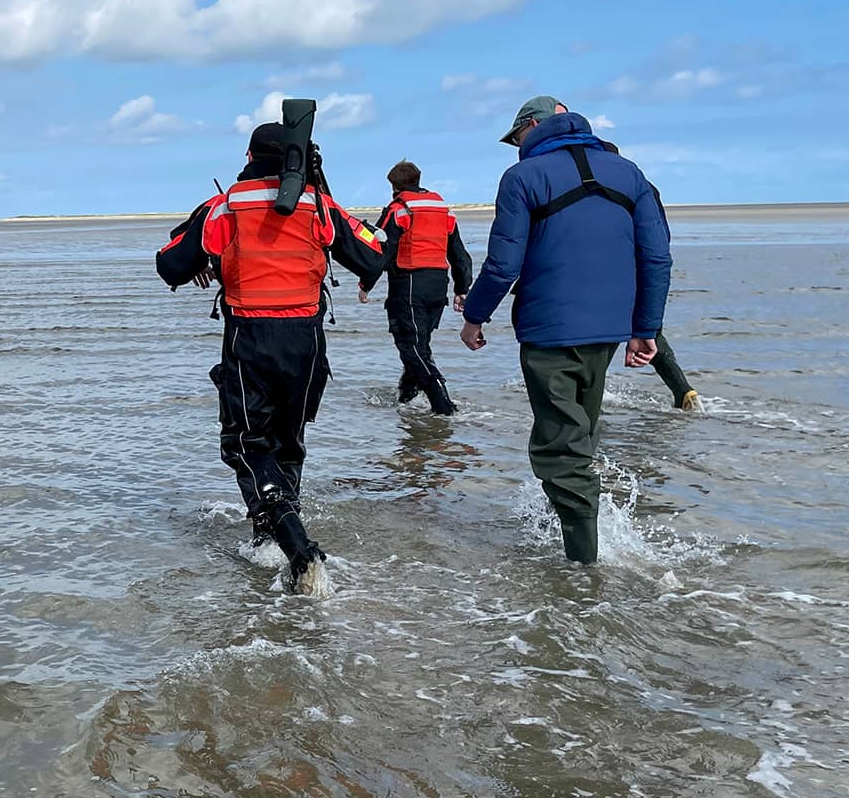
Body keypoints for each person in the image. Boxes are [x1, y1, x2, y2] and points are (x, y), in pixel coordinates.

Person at [156, 116, 385, 593]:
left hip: (250, 339)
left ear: (247, 159)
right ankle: (271, 534)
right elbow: (371, 257)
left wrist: (206, 260)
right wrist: (321, 191)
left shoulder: (227, 205)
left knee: (244, 443)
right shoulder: (317, 204)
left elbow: (170, 264)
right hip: (305, 339)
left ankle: (295, 544)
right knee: (289, 439)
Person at [459, 96, 672, 564]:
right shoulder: (628, 171)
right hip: (609, 330)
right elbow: (656, 255)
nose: (516, 146)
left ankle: (582, 566)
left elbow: (503, 264)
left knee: (561, 447)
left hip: (549, 328)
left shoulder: (522, 177)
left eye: (516, 137)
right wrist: (645, 327)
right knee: (582, 432)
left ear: (532, 126)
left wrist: (475, 316)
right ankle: (579, 531)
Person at [358, 160, 474, 415]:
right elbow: (459, 254)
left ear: (394, 185)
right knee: (420, 344)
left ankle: (442, 404)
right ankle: (406, 399)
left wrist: (366, 283)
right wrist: (462, 288)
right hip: (438, 285)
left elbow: (382, 250)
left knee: (410, 346)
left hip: (409, 284)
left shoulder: (399, 209)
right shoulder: (443, 210)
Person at [598, 140, 701, 411]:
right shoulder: (643, 187)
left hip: (616, 271)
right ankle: (683, 390)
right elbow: (658, 234)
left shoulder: (603, 189)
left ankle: (592, 394)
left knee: (604, 333)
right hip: (644, 269)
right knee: (650, 330)